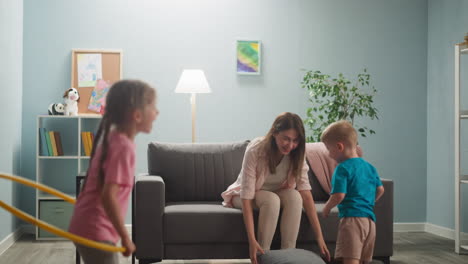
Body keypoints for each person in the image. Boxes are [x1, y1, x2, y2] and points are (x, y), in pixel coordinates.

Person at [222, 112, 331, 264]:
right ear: (274, 132)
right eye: (286, 138)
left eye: (295, 140)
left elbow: (306, 195)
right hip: (243, 195)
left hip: (275, 193)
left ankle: (288, 256)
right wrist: (252, 241)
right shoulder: (256, 149)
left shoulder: (297, 154)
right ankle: (263, 255)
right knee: (271, 199)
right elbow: (246, 196)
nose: (290, 145)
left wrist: (320, 237)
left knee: (295, 196)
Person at [69, 80, 159, 264]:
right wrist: (125, 236)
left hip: (87, 225)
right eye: (152, 106)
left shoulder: (114, 140)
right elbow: (108, 196)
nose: (157, 112)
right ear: (137, 115)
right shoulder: (123, 147)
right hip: (95, 229)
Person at [321, 120, 385, 264]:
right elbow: (380, 189)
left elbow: (338, 195)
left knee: (350, 260)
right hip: (370, 222)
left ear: (339, 147)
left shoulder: (342, 168)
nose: (329, 154)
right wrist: (370, 202)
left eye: (328, 149)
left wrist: (327, 208)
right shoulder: (370, 167)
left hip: (352, 221)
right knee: (363, 260)